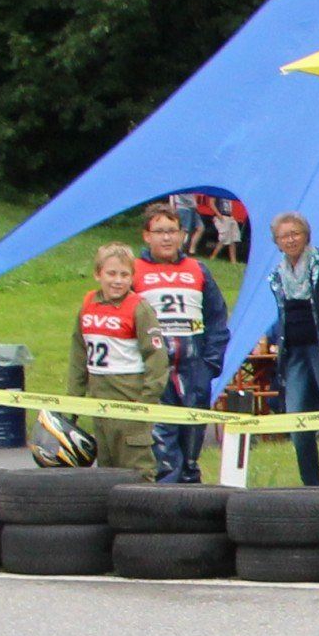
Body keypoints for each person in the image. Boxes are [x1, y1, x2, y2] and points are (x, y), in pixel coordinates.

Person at [130, 202, 227, 482]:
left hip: (195, 367)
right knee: (164, 447)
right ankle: (166, 503)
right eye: (159, 231)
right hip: (155, 369)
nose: (167, 237)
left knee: (192, 448)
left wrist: (211, 363)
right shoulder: (133, 271)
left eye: (172, 231)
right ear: (146, 235)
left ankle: (192, 502)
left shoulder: (198, 269)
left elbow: (217, 318)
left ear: (182, 235)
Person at [263, 210, 319, 486]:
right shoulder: (277, 275)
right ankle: (311, 485)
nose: (290, 240)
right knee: (297, 421)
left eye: (295, 234)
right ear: (276, 242)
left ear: (306, 235)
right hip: (294, 352)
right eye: (284, 236)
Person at [64, 243, 169, 472]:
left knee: (137, 470)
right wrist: (72, 403)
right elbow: (79, 354)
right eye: (111, 273)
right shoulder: (88, 304)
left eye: (125, 275)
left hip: (131, 404)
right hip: (100, 405)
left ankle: (142, 508)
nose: (118, 281)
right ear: (97, 274)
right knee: (106, 470)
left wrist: (146, 402)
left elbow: (157, 358)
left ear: (133, 277)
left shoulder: (139, 309)